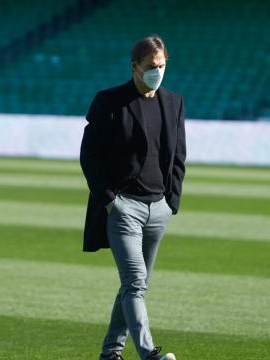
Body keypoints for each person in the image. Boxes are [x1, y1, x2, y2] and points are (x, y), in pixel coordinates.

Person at [80, 35, 186, 360]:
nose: (157, 71)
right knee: (136, 283)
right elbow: (89, 156)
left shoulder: (173, 102)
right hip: (123, 207)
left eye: (162, 66)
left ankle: (110, 352)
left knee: (133, 286)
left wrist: (172, 201)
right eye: (151, 67)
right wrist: (110, 201)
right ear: (134, 67)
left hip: (159, 208)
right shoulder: (109, 101)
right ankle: (149, 354)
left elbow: (178, 155)